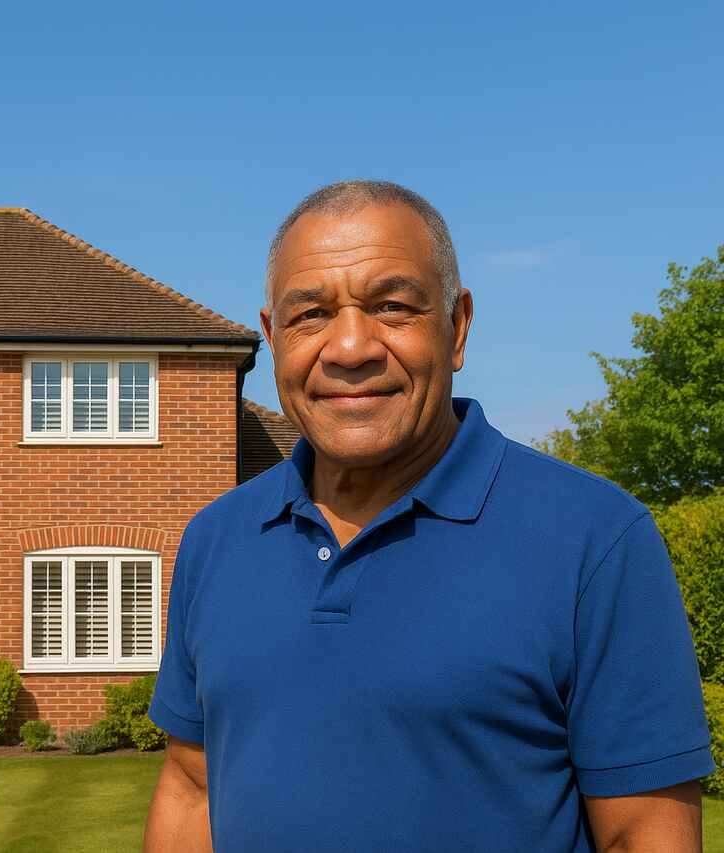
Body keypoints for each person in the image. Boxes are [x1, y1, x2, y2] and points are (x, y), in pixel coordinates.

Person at [144, 180, 715, 852]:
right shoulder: (216, 539)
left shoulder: (596, 539)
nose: (350, 347)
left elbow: (643, 834)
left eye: (392, 306)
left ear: (457, 326)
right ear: (273, 337)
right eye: (311, 315)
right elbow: (192, 786)